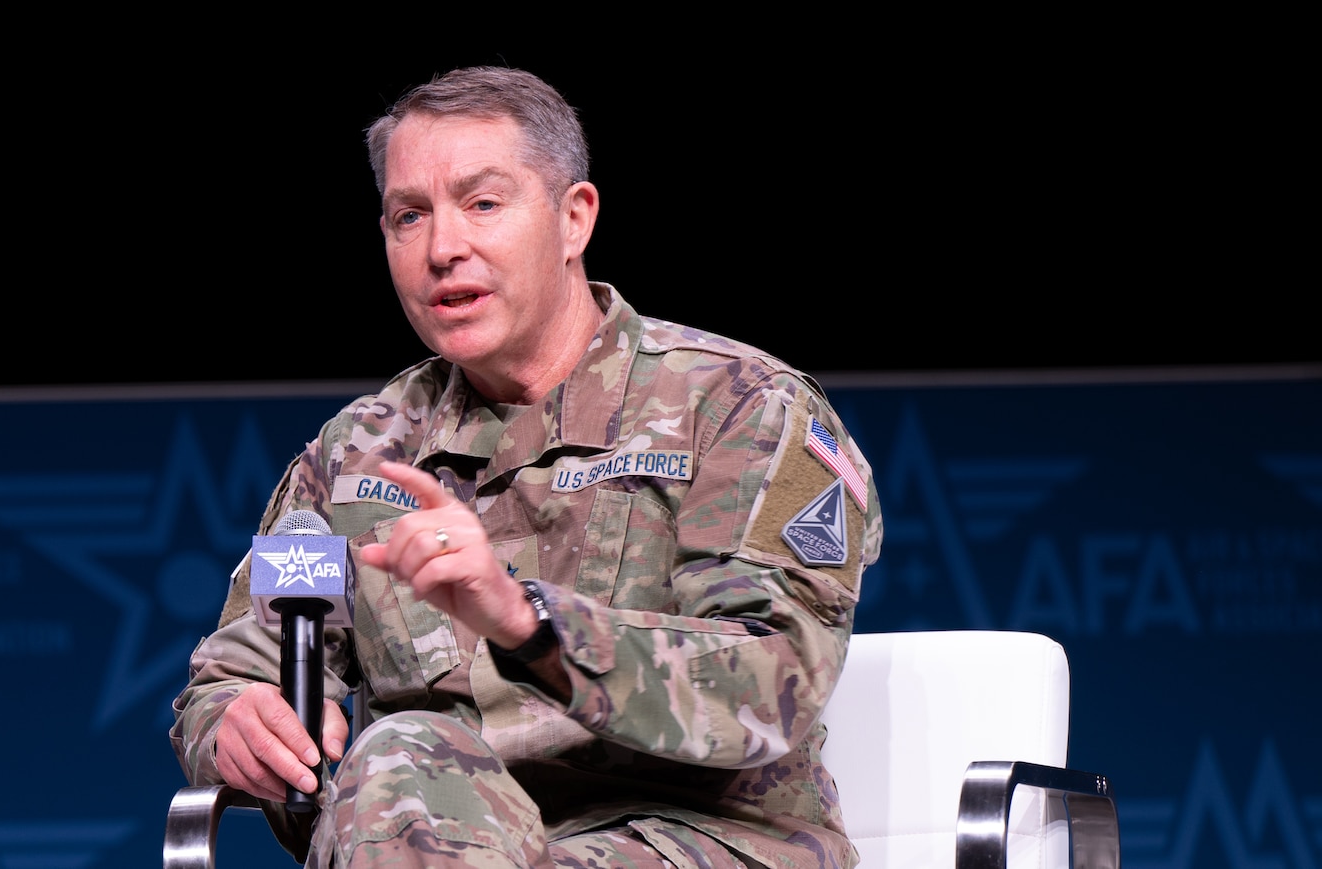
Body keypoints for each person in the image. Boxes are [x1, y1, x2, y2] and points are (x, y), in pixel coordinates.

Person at [170, 66, 883, 868]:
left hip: (693, 840)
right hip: (433, 832)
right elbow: (233, 672)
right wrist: (233, 718)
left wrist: (528, 623)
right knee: (406, 761)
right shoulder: (354, 454)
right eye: (411, 215)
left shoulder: (746, 408)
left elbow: (770, 683)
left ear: (573, 218)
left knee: (405, 757)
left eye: (482, 204)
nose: (444, 248)